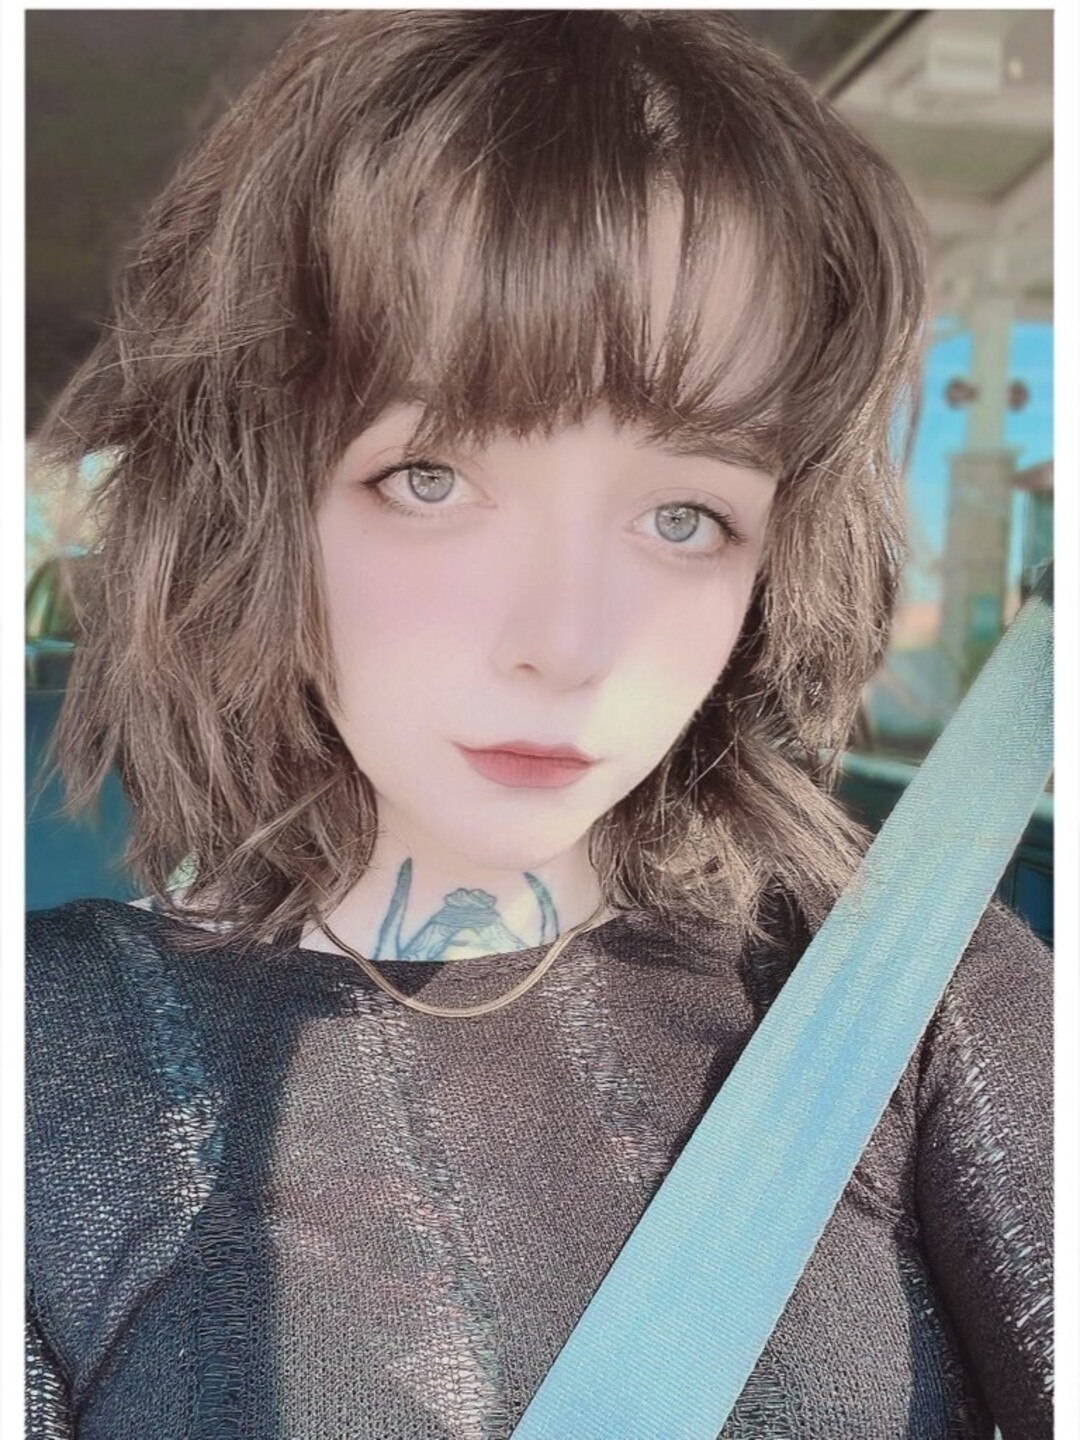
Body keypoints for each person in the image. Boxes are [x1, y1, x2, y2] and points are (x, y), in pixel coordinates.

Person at [25, 11, 1052, 1439]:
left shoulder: (913, 997)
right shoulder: (53, 1055)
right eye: (430, 478)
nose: (568, 646)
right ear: (258, 501)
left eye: (685, 516)